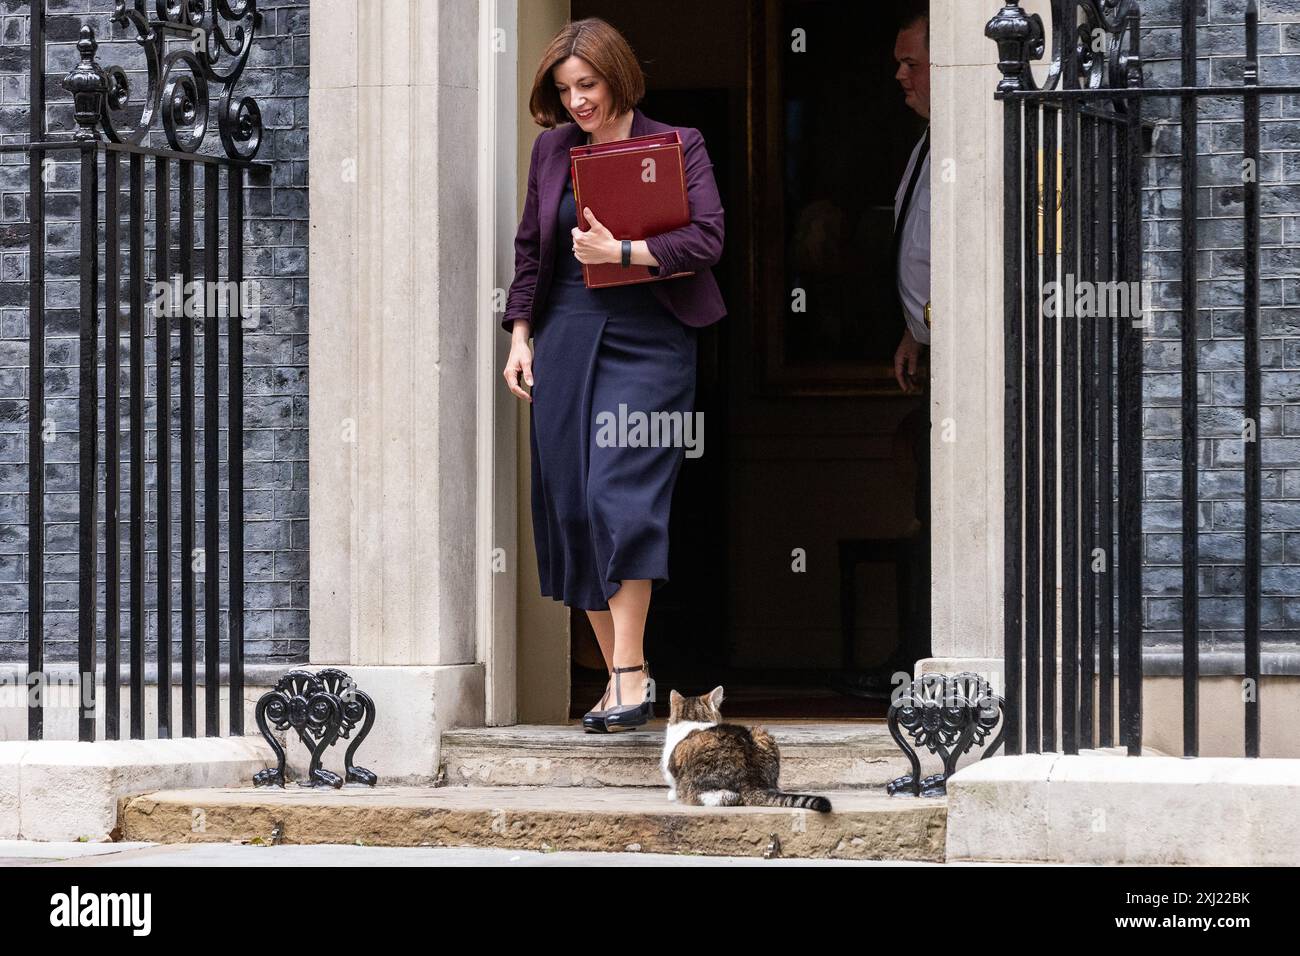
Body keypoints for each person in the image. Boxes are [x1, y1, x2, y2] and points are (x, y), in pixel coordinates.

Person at [501, 18, 726, 733]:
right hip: (565, 332)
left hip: (650, 338)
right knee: (569, 505)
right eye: (566, 90)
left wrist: (623, 250)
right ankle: (622, 676)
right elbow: (532, 250)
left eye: (588, 85)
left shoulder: (677, 144)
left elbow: (708, 237)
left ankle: (628, 675)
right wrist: (519, 335)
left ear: (617, 76)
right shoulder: (551, 151)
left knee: (615, 495)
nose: (578, 102)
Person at [890, 1, 932, 678]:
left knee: (937, 513)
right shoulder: (928, 140)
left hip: (969, 359)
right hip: (932, 351)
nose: (899, 76)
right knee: (927, 508)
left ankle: (923, 661)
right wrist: (913, 330)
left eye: (911, 63)